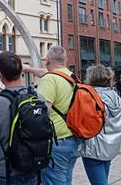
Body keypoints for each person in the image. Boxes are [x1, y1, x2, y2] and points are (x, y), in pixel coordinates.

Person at [23, 46, 80, 185]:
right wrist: (28, 69)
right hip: (74, 138)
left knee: (54, 180)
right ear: (65, 60)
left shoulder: (50, 80)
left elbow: (43, 112)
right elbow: (46, 73)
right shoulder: (72, 77)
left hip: (57, 141)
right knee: (66, 179)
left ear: (47, 60)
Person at [0, 52, 38, 184]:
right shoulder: (38, 99)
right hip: (34, 166)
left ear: (1, 75)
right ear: (21, 71)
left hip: (5, 171)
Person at [81, 65, 121, 185]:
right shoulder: (115, 95)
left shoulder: (89, 96)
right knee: (103, 179)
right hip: (111, 145)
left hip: (94, 147)